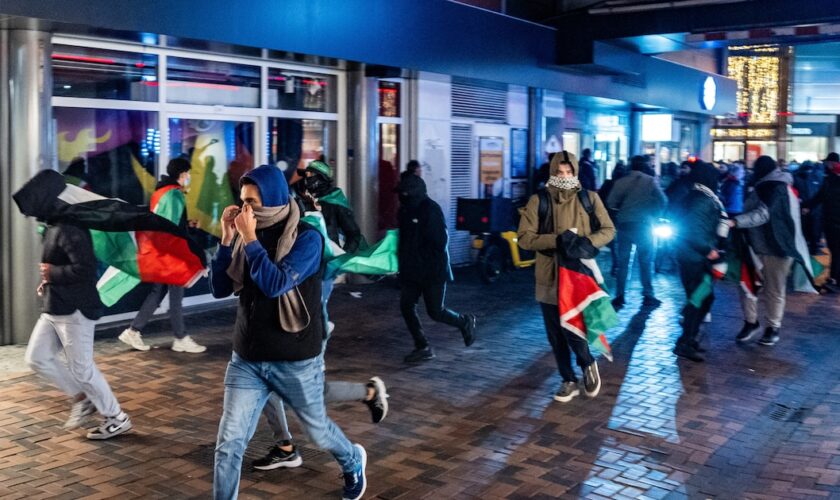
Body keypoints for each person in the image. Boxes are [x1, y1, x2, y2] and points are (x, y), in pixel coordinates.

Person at [210, 165, 367, 500]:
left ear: (274, 198)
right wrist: (226, 238)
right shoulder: (243, 233)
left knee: (318, 433)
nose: (245, 209)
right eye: (242, 201)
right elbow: (220, 287)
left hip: (294, 358)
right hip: (248, 359)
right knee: (229, 443)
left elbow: (275, 283)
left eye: (253, 201)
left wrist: (249, 238)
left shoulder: (308, 237)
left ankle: (353, 460)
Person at [517, 151, 615, 402]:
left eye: (568, 172)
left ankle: (587, 363)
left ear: (575, 172)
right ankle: (568, 379)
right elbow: (525, 238)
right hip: (549, 275)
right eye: (559, 173)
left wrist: (586, 243)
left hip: (579, 275)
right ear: (552, 172)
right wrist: (556, 241)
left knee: (575, 327)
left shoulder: (589, 198)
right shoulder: (539, 201)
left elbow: (608, 229)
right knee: (555, 333)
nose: (564, 177)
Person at [24, 221, 133, 439]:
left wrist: (52, 273)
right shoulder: (52, 227)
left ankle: (117, 418)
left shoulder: (70, 228)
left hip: (75, 310)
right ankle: (83, 398)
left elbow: (85, 268)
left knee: (82, 368)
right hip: (54, 306)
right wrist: (48, 280)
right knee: (37, 357)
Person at [119, 157, 205, 353]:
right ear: (182, 174)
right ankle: (180, 337)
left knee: (158, 293)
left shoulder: (160, 192)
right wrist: (188, 239)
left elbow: (166, 221)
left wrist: (186, 224)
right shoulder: (174, 195)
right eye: (188, 174)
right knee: (175, 296)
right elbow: (172, 229)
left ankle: (133, 331)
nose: (189, 177)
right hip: (171, 254)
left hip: (159, 252)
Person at [397, 174, 477, 362]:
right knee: (406, 306)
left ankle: (465, 322)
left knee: (435, 311)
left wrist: (418, 255)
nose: (401, 197)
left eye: (404, 193)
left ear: (413, 193)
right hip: (411, 271)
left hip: (432, 271)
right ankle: (422, 346)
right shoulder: (404, 211)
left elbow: (440, 242)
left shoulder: (430, 210)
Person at [730, 156, 799, 346]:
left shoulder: (776, 187)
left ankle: (772, 327)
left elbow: (764, 214)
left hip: (777, 248)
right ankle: (751, 323)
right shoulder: (763, 185)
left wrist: (737, 221)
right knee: (747, 286)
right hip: (755, 245)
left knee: (774, 289)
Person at [672, 162, 728, 362]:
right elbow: (692, 230)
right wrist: (709, 250)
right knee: (698, 299)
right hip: (694, 257)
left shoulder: (699, 197)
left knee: (702, 298)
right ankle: (685, 342)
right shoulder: (701, 200)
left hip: (693, 255)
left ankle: (688, 338)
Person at [301, 160, 362, 334]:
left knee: (318, 303)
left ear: (321, 178)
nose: (306, 179)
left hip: (326, 262)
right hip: (305, 260)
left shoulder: (335, 203)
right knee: (307, 303)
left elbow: (354, 234)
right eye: (306, 176)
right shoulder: (305, 199)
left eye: (310, 176)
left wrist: (341, 259)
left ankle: (319, 341)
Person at [606, 155, 667, 309]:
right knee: (646, 262)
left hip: (624, 225)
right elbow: (663, 201)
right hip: (644, 226)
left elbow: (610, 203)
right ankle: (648, 295)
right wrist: (656, 214)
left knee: (623, 263)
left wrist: (622, 210)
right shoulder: (650, 181)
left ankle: (619, 296)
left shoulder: (620, 182)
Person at [803, 152, 840, 291]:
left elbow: (821, 196)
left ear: (832, 163)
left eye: (827, 163)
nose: (825, 165)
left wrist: (806, 206)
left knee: (836, 251)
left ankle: (834, 280)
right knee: (836, 251)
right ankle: (835, 279)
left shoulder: (831, 179)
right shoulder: (830, 177)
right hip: (833, 220)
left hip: (833, 221)